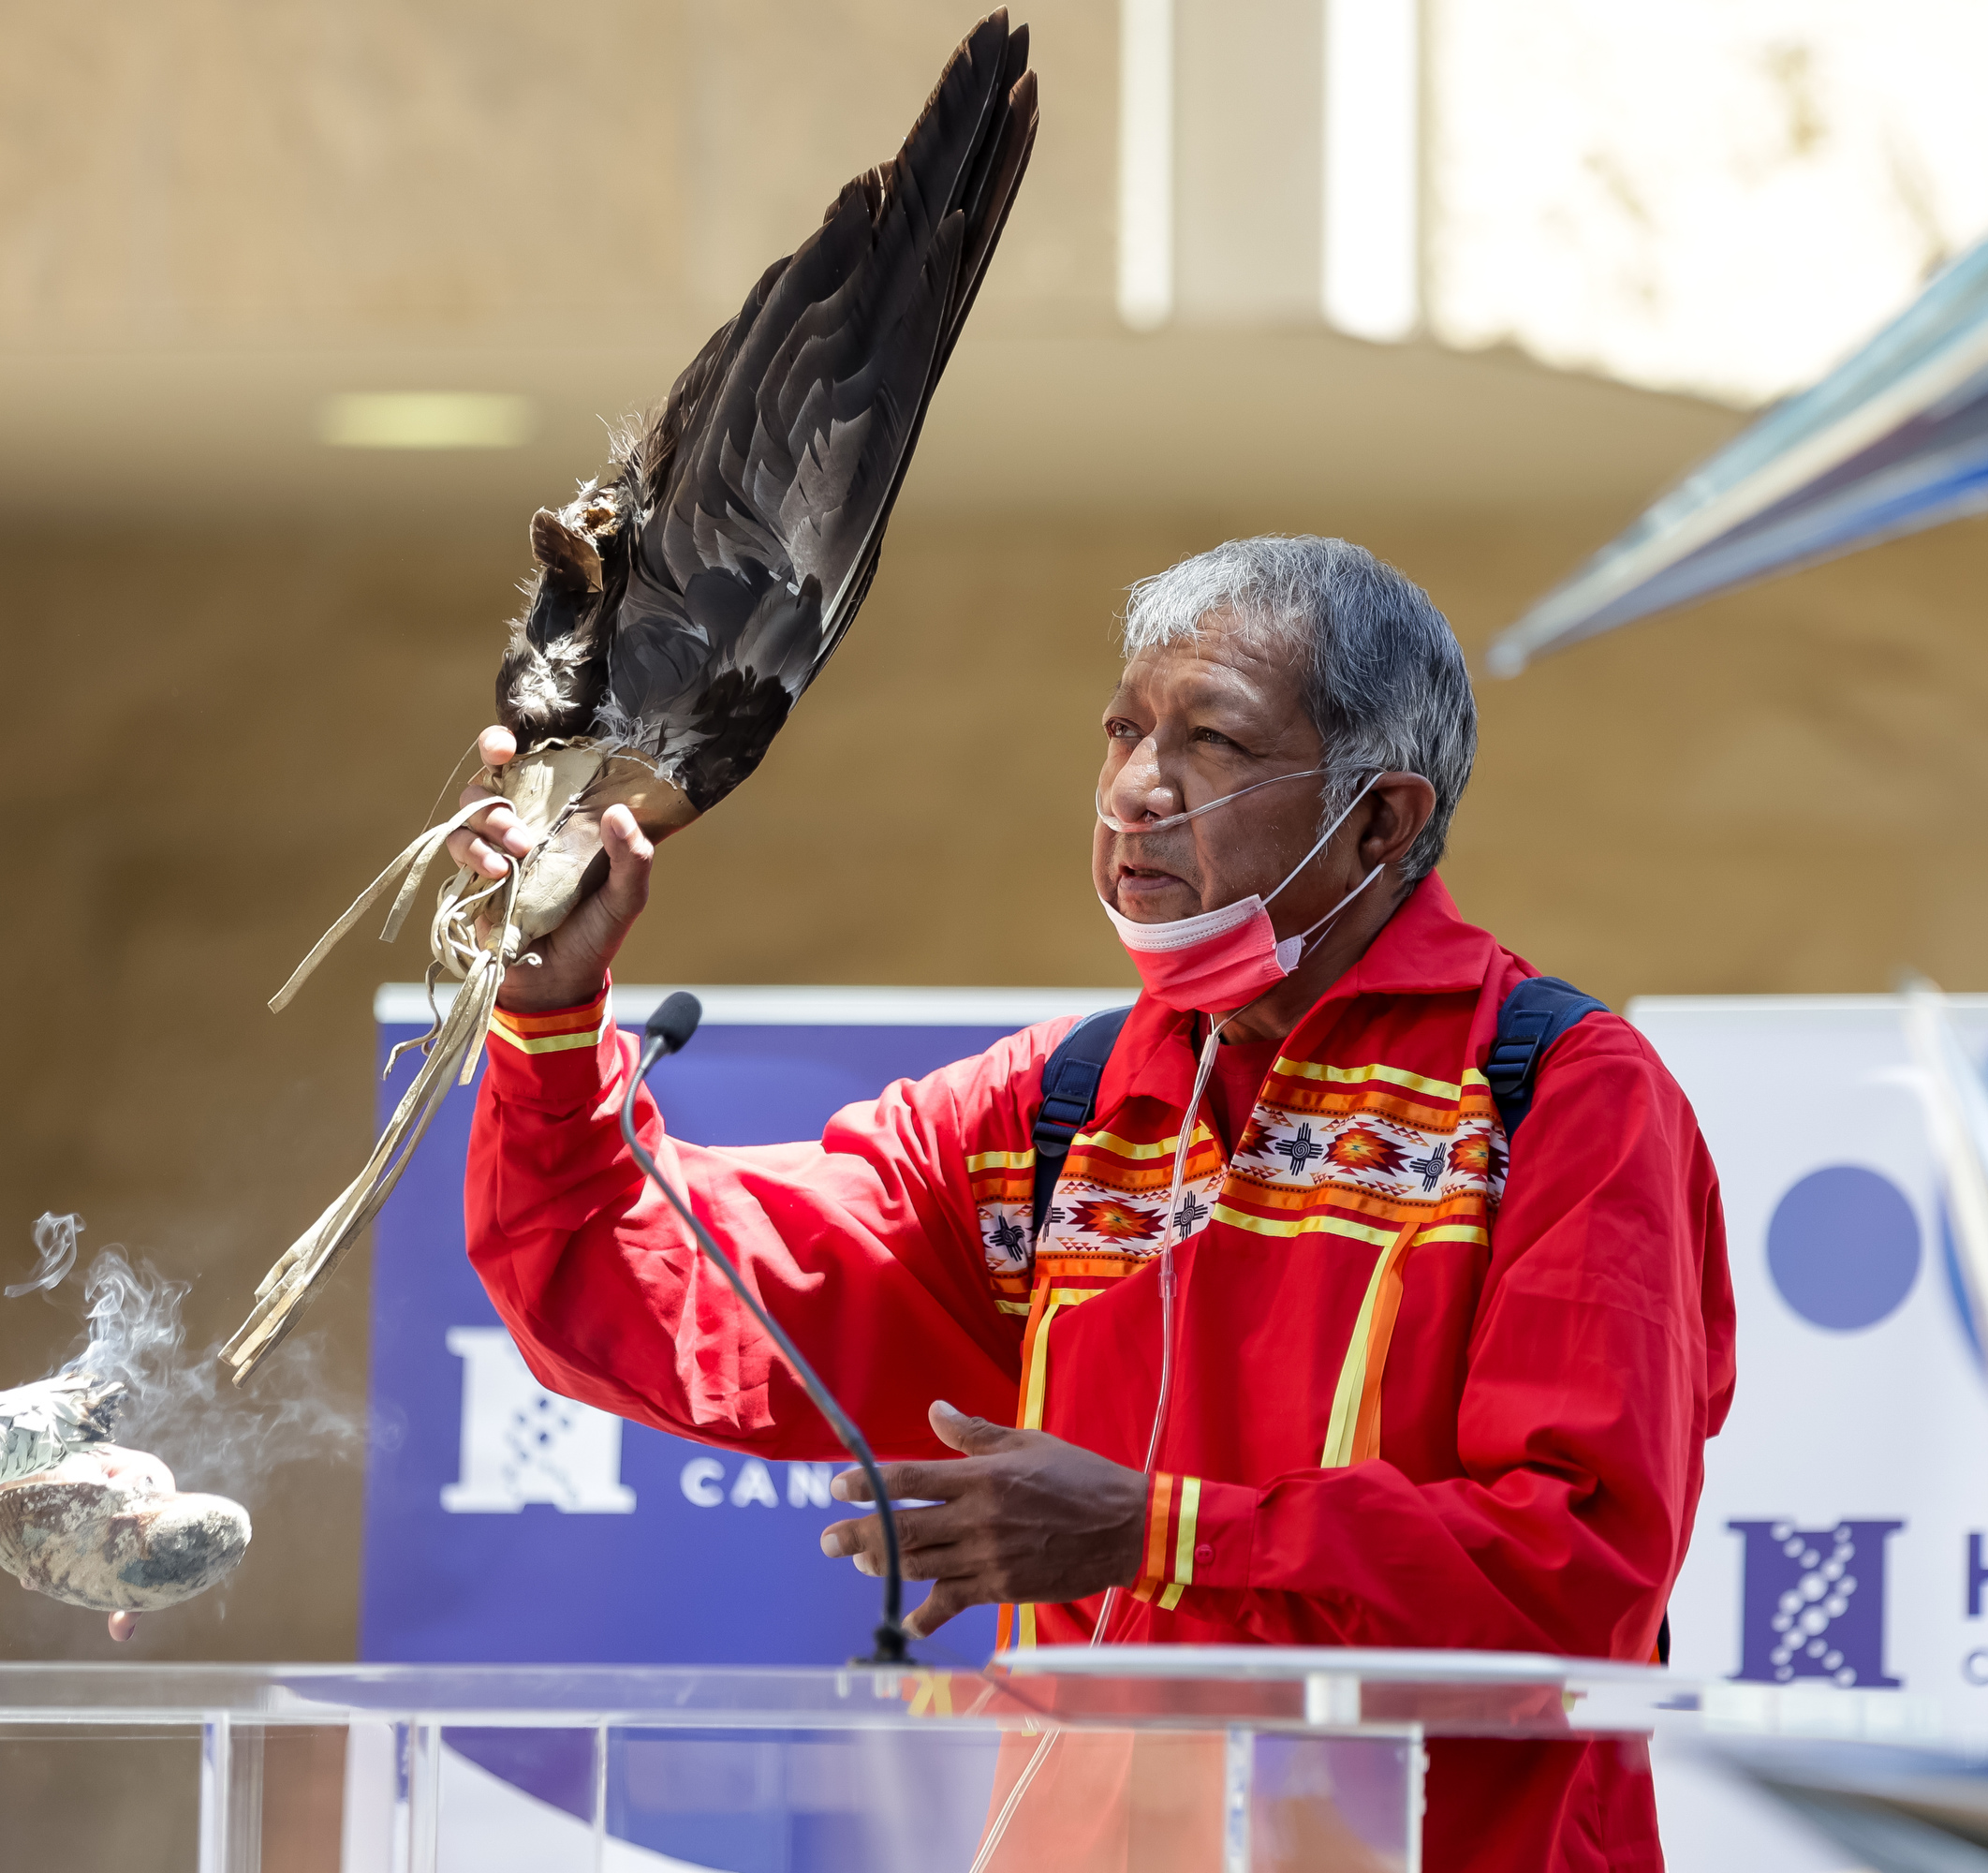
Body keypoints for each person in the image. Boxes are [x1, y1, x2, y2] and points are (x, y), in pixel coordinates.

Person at [454, 535, 1736, 1870]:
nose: (1134, 789)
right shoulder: (1054, 1113)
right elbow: (644, 1292)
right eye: (1123, 730)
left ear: (1382, 820)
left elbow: (1577, 1577)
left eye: (1215, 744)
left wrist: (1156, 1534)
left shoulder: (1557, 1093)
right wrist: (553, 1020)